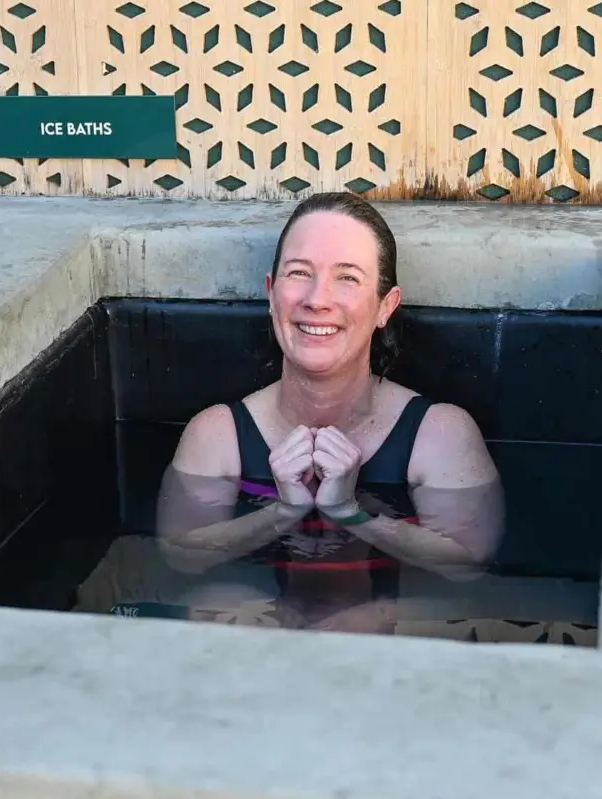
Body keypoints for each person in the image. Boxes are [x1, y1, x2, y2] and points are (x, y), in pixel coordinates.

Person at [155, 192, 504, 632]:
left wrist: (352, 512)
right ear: (271, 293)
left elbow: (467, 565)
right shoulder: (217, 434)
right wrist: (281, 513)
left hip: (390, 629)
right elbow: (180, 555)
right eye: (299, 273)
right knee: (217, 601)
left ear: (385, 306)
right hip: (259, 625)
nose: (317, 299)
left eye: (347, 278)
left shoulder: (439, 433)